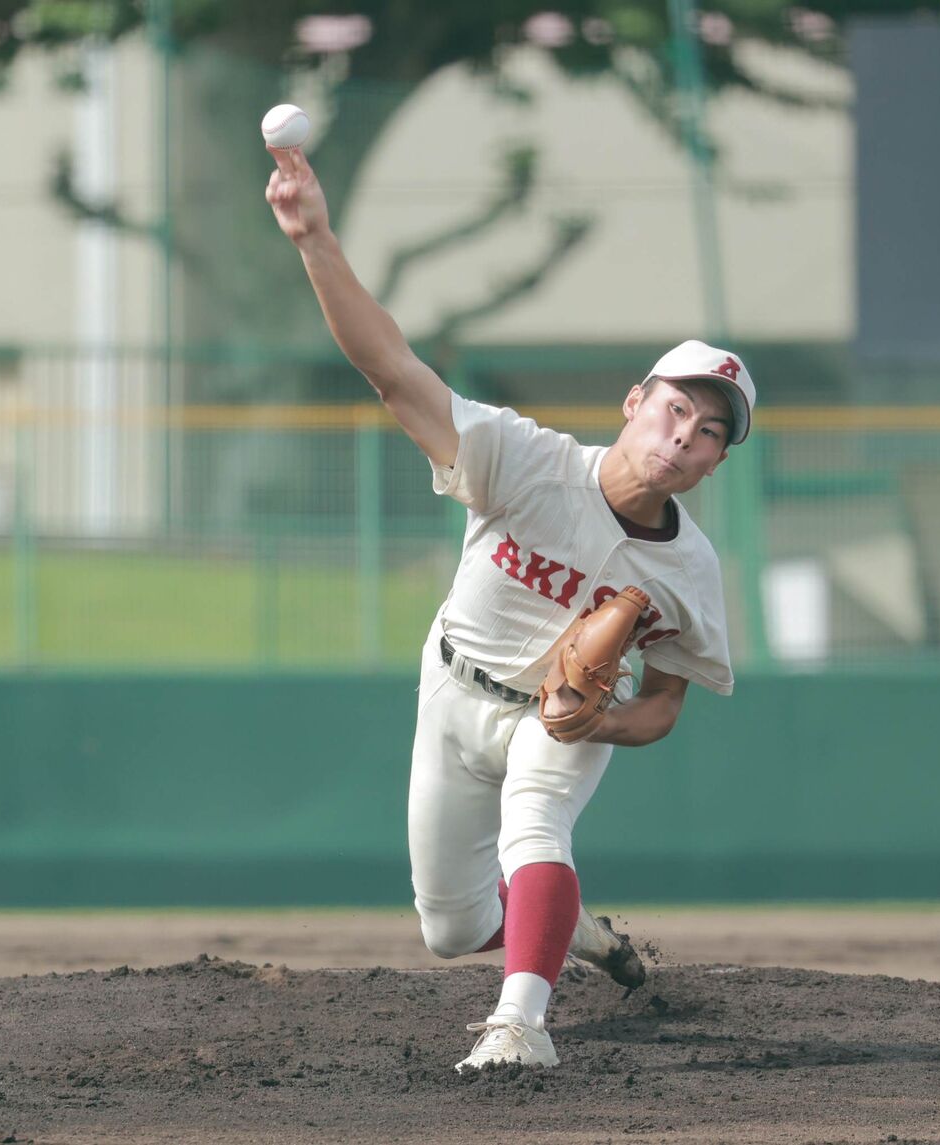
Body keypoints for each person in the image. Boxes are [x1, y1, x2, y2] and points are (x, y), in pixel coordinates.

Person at [265, 144, 755, 1072]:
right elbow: (392, 370)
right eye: (675, 410)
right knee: (450, 928)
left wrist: (598, 717)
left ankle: (521, 1024)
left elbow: (664, 705)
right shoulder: (524, 460)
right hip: (451, 685)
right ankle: (570, 930)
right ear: (634, 401)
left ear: (716, 462)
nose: (684, 435)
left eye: (708, 432)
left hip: (554, 722)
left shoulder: (689, 569)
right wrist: (314, 238)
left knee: (539, 821)